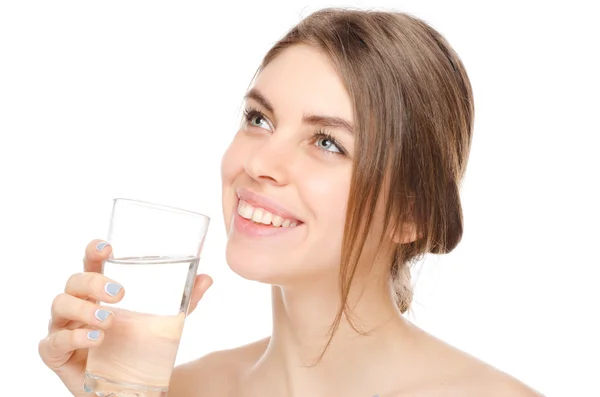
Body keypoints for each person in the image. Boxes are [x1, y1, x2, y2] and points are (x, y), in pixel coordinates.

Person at [39, 8, 543, 397]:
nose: (260, 163)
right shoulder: (181, 390)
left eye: (327, 142)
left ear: (409, 213)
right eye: (259, 119)